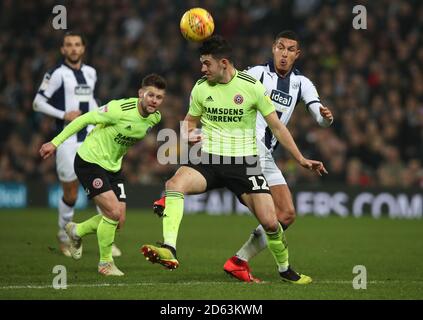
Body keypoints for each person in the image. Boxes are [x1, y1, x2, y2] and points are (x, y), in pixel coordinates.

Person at [141, 36, 327, 284]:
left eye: (207, 64)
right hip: (209, 157)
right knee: (174, 184)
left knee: (272, 222)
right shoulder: (200, 88)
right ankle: (169, 249)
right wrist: (188, 134)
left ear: (224, 63)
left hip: (245, 163)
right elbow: (189, 121)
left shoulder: (251, 87)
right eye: (202, 64)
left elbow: (278, 128)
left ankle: (284, 270)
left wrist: (300, 158)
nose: (202, 69)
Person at [222, 30, 334, 282]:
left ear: (297, 54)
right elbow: (227, 87)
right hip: (248, 149)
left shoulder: (301, 83)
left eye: (290, 49)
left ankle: (239, 261)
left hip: (267, 156)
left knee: (286, 215)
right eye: (280, 48)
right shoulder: (256, 74)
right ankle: (283, 269)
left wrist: (326, 118)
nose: (284, 54)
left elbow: (318, 115)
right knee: (272, 217)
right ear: (273, 49)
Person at [39, 74, 166, 276]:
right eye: (151, 95)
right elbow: (83, 119)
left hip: (113, 167)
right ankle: (105, 264)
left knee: (119, 220)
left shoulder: (155, 118)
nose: (154, 100)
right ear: (141, 93)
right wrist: (55, 142)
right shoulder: (119, 109)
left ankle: (76, 231)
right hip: (90, 162)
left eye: (159, 97)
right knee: (112, 213)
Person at [33, 31, 121, 258]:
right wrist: (64, 114)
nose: (73, 49)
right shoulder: (56, 74)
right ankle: (64, 237)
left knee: (103, 189)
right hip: (67, 139)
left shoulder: (91, 73)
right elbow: (37, 103)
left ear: (83, 49)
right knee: (71, 194)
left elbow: (92, 100)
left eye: (77, 45)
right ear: (63, 50)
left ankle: (107, 241)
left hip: (92, 139)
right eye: (68, 45)